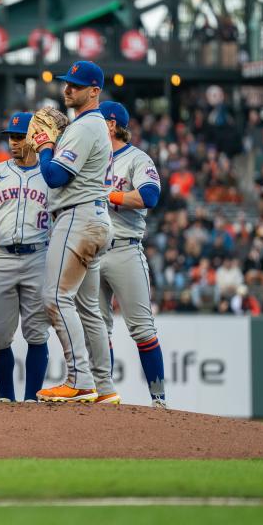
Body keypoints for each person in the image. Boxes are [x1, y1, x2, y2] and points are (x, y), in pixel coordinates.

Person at [31, 61, 114, 403]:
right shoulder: (88, 126)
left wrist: (43, 146)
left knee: (55, 298)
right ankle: (105, 387)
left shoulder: (85, 126)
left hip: (78, 218)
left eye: (76, 86)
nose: (68, 89)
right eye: (67, 84)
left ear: (95, 91)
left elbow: (55, 176)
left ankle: (80, 380)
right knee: (88, 307)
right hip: (95, 218)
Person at [0, 112, 50, 402]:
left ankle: (31, 399)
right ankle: (7, 400)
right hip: (1, 257)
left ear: (34, 138)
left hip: (39, 257)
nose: (13, 142)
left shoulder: (51, 176)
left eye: (19, 137)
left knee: (37, 334)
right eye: (11, 137)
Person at [97, 101, 167, 408]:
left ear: (111, 125)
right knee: (97, 330)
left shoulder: (137, 158)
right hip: (92, 251)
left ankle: (159, 400)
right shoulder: (91, 159)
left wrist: (109, 194)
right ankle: (105, 395)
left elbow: (150, 195)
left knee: (142, 329)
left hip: (125, 247)